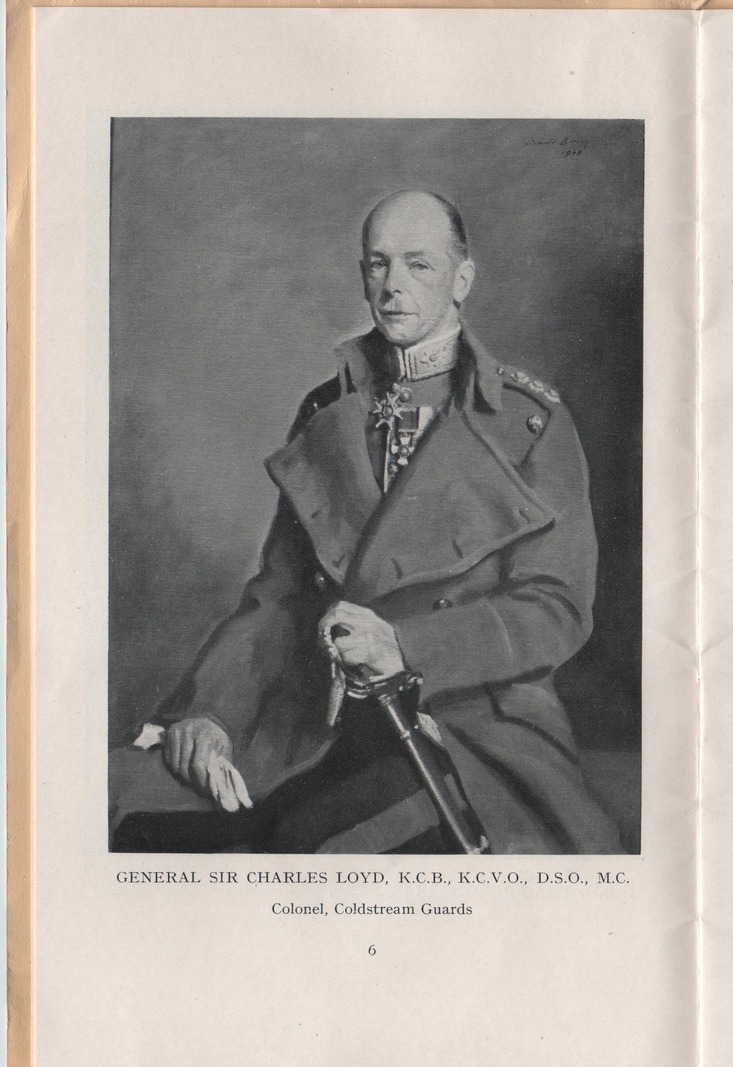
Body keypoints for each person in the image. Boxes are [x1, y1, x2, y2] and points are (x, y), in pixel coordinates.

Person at [110, 189, 623, 854]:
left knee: (311, 848)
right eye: (377, 266)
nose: (392, 287)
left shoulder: (529, 422)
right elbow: (280, 596)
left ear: (462, 280)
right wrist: (210, 712)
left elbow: (556, 609)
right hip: (315, 718)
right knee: (126, 809)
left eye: (419, 266)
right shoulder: (328, 408)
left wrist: (405, 645)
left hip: (465, 731)